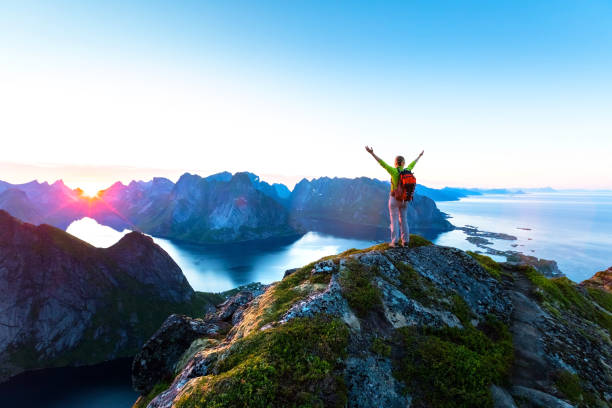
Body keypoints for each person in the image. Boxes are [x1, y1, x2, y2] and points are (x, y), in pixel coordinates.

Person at [365, 146, 424, 247]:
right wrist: (419, 156)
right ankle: (405, 242)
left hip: (394, 199)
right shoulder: (408, 170)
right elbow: (414, 163)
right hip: (405, 199)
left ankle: (395, 242)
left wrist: (372, 153)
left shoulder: (393, 171)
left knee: (394, 220)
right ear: (403, 163)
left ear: (395, 163)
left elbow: (381, 163)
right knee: (404, 220)